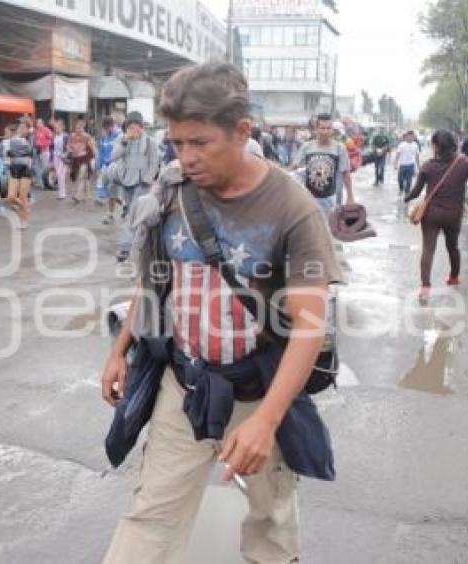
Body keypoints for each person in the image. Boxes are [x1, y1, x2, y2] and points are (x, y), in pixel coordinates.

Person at [101, 61, 340, 564]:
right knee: (150, 516)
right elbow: (152, 280)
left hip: (259, 388)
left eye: (200, 143)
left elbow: (309, 327)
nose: (186, 157)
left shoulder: (292, 208)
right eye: (177, 142)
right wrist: (120, 349)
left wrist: (266, 421)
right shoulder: (171, 193)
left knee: (271, 523)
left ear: (242, 131)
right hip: (183, 383)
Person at [404, 130, 468, 301]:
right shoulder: (465, 163)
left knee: (428, 249)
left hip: (431, 214)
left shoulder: (428, 166)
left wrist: (407, 198)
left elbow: (416, 191)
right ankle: (454, 277)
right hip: (453, 214)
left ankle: (425, 288)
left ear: (435, 146)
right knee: (452, 246)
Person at [109, 111, 159, 262]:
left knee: (132, 214)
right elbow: (114, 157)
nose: (134, 129)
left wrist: (148, 179)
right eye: (130, 126)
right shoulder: (121, 139)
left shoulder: (150, 142)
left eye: (136, 125)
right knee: (138, 215)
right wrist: (124, 141)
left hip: (142, 183)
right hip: (127, 182)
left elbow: (154, 162)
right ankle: (147, 242)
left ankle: (125, 248)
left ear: (141, 126)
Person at [292, 113, 356, 216]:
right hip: (309, 199)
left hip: (331, 199)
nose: (325, 131)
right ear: (316, 129)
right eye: (322, 128)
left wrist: (350, 196)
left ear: (332, 130)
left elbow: (346, 173)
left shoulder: (339, 148)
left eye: (328, 128)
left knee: (330, 228)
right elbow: (294, 169)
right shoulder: (306, 147)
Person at [5, 119, 34, 229]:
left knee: (22, 195)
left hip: (26, 168)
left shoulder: (30, 138)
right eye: (19, 127)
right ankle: (25, 208)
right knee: (11, 197)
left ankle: (24, 220)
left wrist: (29, 131)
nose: (20, 129)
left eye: (23, 127)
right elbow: (8, 151)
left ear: (27, 129)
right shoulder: (14, 138)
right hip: (14, 168)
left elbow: (31, 151)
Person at [97, 117, 124, 224]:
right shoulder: (105, 137)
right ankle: (122, 203)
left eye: (107, 128)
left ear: (112, 126)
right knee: (106, 187)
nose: (106, 130)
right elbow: (101, 151)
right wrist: (99, 164)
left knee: (112, 188)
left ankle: (110, 215)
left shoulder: (120, 136)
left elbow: (121, 152)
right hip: (106, 167)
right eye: (104, 129)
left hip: (116, 167)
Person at [67, 119, 96, 204]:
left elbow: (92, 146)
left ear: (83, 129)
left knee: (82, 176)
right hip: (76, 159)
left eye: (80, 128)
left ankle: (78, 196)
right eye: (77, 128)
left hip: (85, 159)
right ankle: (87, 194)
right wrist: (70, 150)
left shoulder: (87, 136)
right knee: (80, 177)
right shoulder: (72, 136)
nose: (78, 130)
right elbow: (68, 146)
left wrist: (95, 156)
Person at [394, 130, 420, 196]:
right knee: (400, 179)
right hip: (402, 165)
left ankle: (407, 193)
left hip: (411, 165)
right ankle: (401, 188)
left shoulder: (415, 145)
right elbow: (398, 154)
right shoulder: (402, 145)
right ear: (406, 137)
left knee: (409, 180)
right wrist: (395, 164)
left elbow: (417, 156)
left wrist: (418, 166)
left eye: (412, 136)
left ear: (414, 137)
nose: (411, 137)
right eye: (409, 136)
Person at [32, 118, 53, 189]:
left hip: (45, 151)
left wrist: (43, 144)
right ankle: (43, 184)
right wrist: (36, 144)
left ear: (42, 123)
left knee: (45, 168)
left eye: (39, 123)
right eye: (37, 123)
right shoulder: (37, 131)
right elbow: (35, 140)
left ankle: (48, 183)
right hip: (39, 151)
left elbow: (51, 139)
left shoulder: (46, 130)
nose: (38, 124)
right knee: (39, 168)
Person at [51, 118, 69, 200]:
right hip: (56, 157)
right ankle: (61, 193)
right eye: (56, 127)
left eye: (58, 127)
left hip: (63, 157)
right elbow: (52, 148)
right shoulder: (54, 136)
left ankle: (62, 194)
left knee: (61, 175)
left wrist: (66, 155)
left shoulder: (65, 136)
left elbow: (69, 147)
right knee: (58, 175)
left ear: (62, 127)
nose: (56, 129)